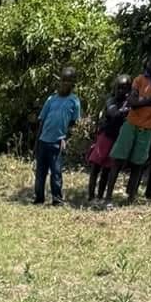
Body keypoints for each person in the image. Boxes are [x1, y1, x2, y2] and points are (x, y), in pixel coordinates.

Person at [113, 46, 151, 203]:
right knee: (132, 159)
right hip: (144, 122)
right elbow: (134, 102)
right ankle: (125, 193)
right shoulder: (143, 79)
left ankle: (144, 196)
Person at [33, 68, 80, 205]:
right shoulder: (51, 99)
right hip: (43, 141)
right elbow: (42, 120)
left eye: (68, 81)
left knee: (56, 172)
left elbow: (73, 123)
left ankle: (57, 199)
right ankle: (39, 198)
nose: (65, 84)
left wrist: (66, 138)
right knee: (40, 172)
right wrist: (37, 141)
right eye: (63, 80)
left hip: (58, 142)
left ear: (73, 84)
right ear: (59, 81)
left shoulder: (74, 101)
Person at [85, 75, 132, 204]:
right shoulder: (111, 101)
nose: (121, 91)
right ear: (115, 88)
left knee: (106, 170)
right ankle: (90, 196)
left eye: (125, 88)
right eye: (119, 88)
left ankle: (100, 197)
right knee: (96, 167)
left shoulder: (127, 103)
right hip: (105, 137)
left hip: (116, 139)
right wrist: (128, 108)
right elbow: (114, 114)